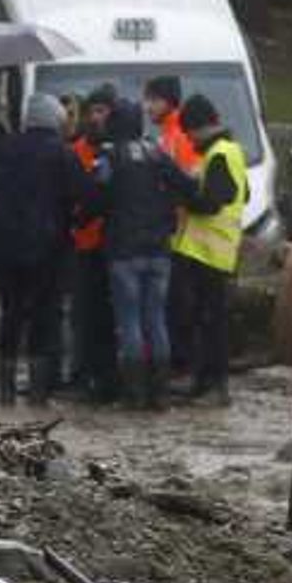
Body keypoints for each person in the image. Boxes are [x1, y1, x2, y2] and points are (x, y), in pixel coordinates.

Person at [0, 92, 84, 402]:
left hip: (7, 247)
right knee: (43, 316)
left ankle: (6, 393)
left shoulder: (5, 147)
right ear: (55, 120)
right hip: (49, 250)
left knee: (11, 314)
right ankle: (38, 396)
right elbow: (85, 195)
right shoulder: (62, 154)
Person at [91, 99, 189, 408]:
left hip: (124, 251)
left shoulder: (109, 157)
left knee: (130, 321)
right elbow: (186, 184)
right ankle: (159, 394)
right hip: (159, 250)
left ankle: (134, 394)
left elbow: (97, 198)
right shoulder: (156, 152)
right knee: (156, 319)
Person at [168, 92, 251, 401]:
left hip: (206, 253)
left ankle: (208, 384)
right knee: (212, 320)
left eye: (189, 132)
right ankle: (212, 384)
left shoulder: (218, 154)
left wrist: (184, 191)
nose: (188, 139)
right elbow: (243, 196)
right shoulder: (231, 152)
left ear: (201, 127)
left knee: (206, 322)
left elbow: (211, 203)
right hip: (219, 251)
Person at [63, 83, 120, 402]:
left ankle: (108, 375)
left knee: (109, 317)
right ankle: (82, 373)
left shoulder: (119, 150)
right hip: (82, 246)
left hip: (112, 246)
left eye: (104, 111)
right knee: (83, 314)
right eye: (94, 111)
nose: (98, 117)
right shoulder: (76, 151)